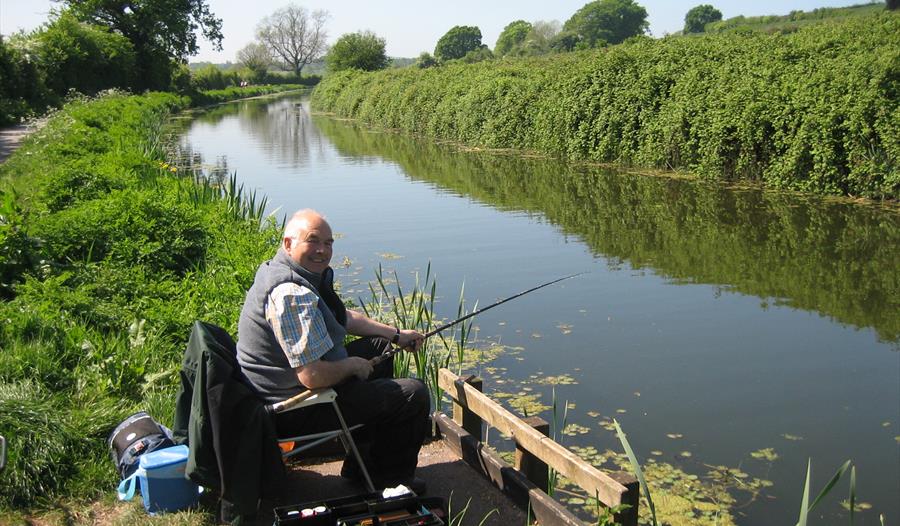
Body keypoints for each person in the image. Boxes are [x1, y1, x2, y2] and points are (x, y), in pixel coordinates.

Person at [236, 209, 430, 493]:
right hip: (291, 409)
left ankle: (363, 465)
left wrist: (397, 335)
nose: (322, 250)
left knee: (379, 345)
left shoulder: (288, 271)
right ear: (288, 243)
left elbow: (342, 317)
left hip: (290, 389)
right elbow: (312, 376)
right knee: (413, 394)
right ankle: (389, 479)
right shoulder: (291, 294)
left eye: (328, 243)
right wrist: (352, 365)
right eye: (313, 241)